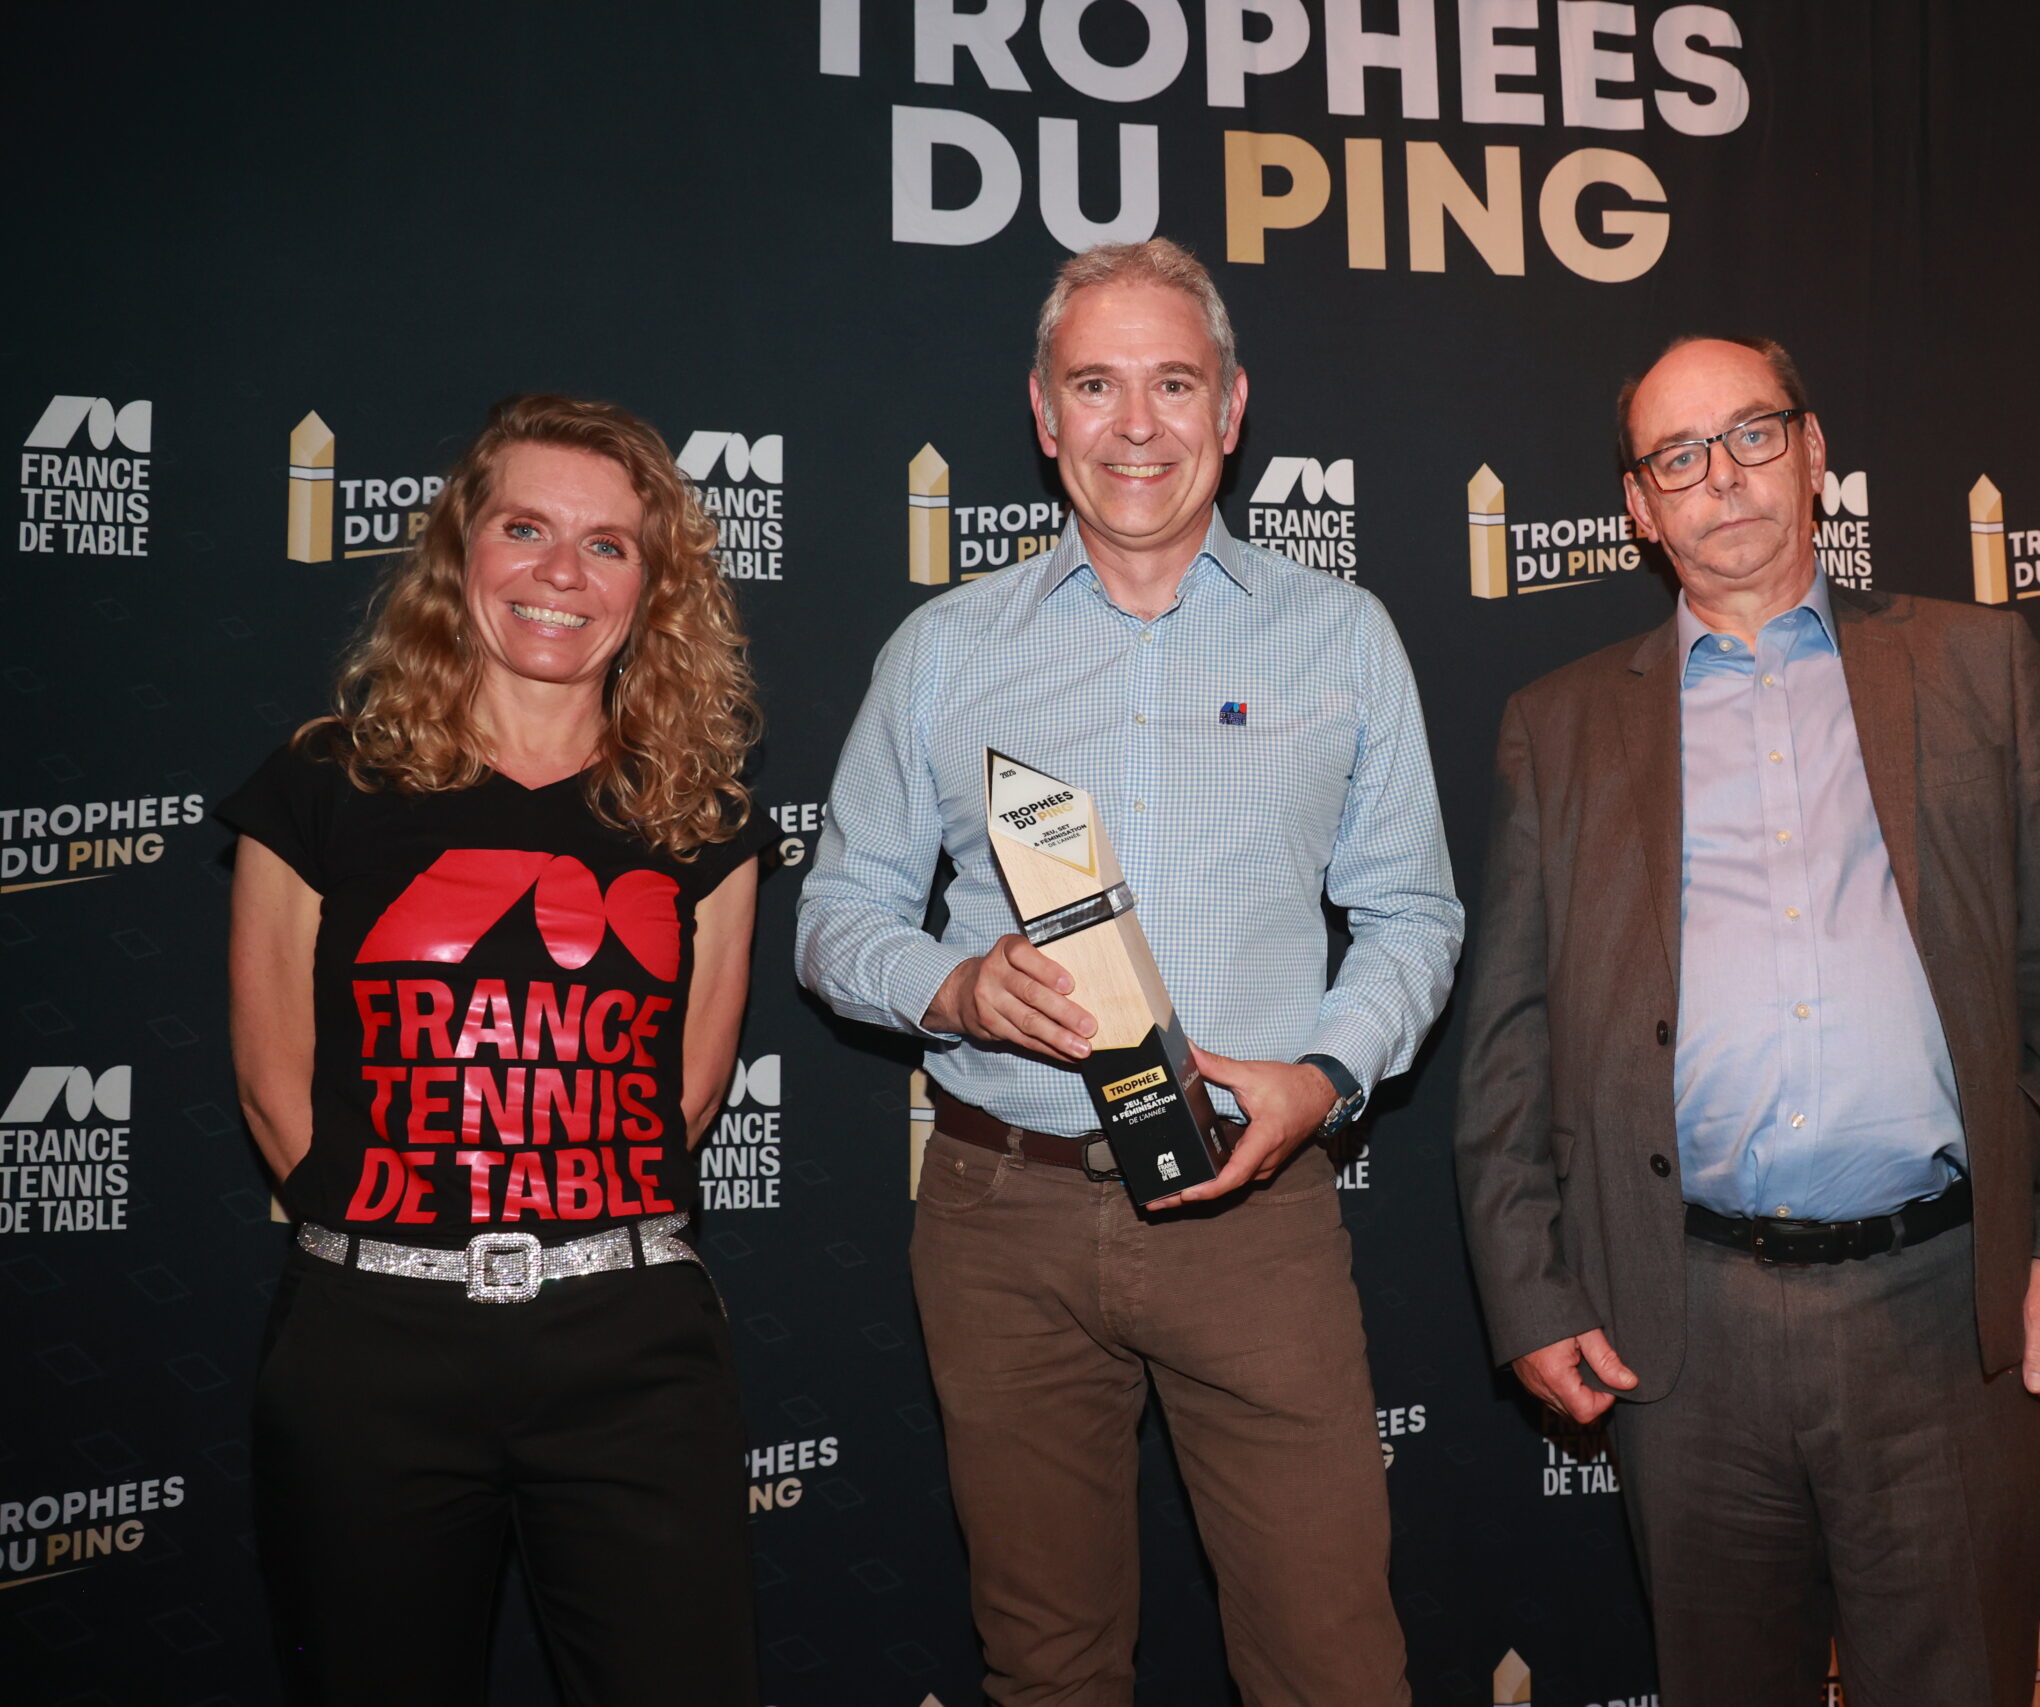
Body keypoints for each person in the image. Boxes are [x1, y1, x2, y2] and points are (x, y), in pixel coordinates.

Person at [796, 238, 1461, 1707]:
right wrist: (956, 990)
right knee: (1049, 1665)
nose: (1137, 424)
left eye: (1174, 382)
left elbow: (1414, 914)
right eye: (1096, 385)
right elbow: (835, 914)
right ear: (1045, 415)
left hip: (1255, 1210)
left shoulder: (1342, 637)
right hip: (1002, 1217)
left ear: (1233, 406)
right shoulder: (944, 650)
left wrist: (1324, 1078)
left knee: (1333, 1665)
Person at [1453, 337, 2040, 1706]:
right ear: (1639, 507)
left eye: (1753, 434)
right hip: (1686, 1333)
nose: (1723, 477)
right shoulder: (1560, 727)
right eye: (1678, 457)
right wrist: (1530, 1290)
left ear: (1814, 451)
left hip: (1950, 1320)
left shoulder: (1979, 665)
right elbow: (1508, 1045)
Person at [223, 394, 775, 1706]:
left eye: (607, 545)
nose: (559, 574)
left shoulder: (700, 819)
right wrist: (407, 1243)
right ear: (459, 549)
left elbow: (687, 1094)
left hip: (629, 1350)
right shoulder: (322, 785)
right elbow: (274, 1079)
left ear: (652, 590)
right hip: (373, 1348)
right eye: (526, 529)